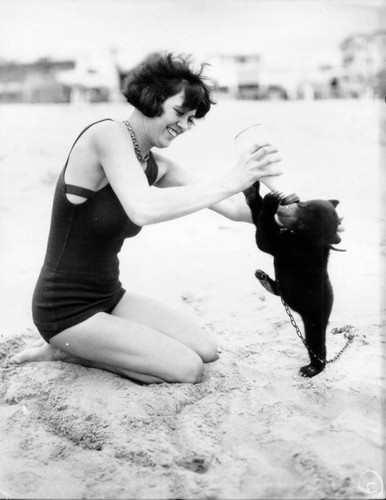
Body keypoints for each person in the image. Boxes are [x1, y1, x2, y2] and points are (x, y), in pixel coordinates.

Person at [11, 52, 283, 384]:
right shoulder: (107, 135)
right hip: (65, 311)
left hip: (108, 297)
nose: (183, 126)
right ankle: (72, 350)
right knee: (187, 368)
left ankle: (89, 346)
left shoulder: (156, 164)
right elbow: (144, 207)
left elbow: (235, 208)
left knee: (207, 349)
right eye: (180, 112)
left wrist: (291, 211)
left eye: (192, 119)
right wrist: (233, 179)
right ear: (152, 98)